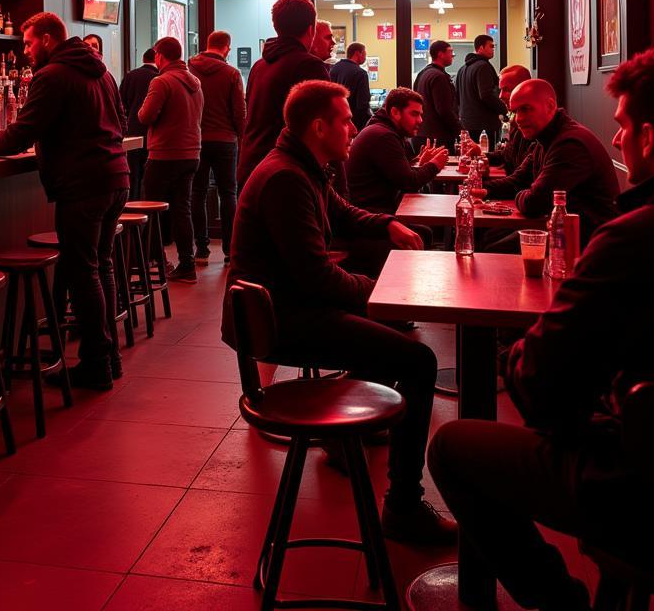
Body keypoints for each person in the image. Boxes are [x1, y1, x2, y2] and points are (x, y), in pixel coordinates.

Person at [428, 46, 654, 611]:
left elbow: (540, 389)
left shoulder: (636, 238)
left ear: (649, 138)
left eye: (625, 127)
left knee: (453, 447)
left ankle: (560, 601)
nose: (619, 141)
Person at [223, 79, 456, 546]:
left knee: (386, 331)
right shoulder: (287, 178)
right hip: (282, 322)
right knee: (418, 361)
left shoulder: (302, 165)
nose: (353, 127)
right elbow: (317, 280)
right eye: (346, 120)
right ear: (318, 127)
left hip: (290, 307)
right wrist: (381, 289)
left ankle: (342, 432)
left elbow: (344, 214)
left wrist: (388, 223)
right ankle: (404, 506)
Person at [0, 12, 129, 390]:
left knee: (85, 272)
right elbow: (123, 121)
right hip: (116, 177)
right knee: (101, 267)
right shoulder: (101, 71)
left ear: (49, 39)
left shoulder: (52, 76)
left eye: (30, 43)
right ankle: (109, 358)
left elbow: (22, 132)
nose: (26, 51)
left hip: (83, 185)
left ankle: (97, 366)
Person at [481, 78, 618, 246]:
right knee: (487, 237)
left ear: (550, 106)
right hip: (559, 231)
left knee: (491, 252)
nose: (518, 119)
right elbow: (518, 180)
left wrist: (520, 193)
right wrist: (481, 188)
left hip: (588, 243)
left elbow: (535, 203)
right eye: (515, 112)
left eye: (526, 109)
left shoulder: (569, 144)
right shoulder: (544, 139)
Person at [237, 0, 329, 186]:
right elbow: (323, 125)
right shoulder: (309, 66)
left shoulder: (259, 66)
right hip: (286, 174)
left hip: (252, 167)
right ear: (311, 30)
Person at [138, 35, 204, 282]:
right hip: (191, 153)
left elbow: (146, 116)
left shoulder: (161, 82)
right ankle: (187, 263)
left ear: (159, 55)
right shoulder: (195, 82)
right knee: (182, 210)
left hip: (164, 154)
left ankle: (156, 259)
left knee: (151, 208)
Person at [188, 30, 246, 266]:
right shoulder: (232, 73)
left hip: (197, 139)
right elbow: (238, 112)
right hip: (225, 140)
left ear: (207, 44)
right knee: (228, 194)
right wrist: (242, 138)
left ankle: (201, 249)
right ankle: (230, 250)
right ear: (227, 48)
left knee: (197, 193)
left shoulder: (189, 69)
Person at [347, 88, 449, 213]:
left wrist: (419, 163)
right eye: (414, 114)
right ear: (395, 112)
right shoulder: (384, 137)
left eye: (420, 114)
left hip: (377, 208)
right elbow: (410, 183)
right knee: (426, 227)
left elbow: (400, 175)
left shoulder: (385, 130)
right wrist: (435, 164)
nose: (420, 120)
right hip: (370, 215)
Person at [455, 33, 506, 148]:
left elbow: (457, 96)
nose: (493, 49)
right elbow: (486, 95)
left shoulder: (462, 69)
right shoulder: (483, 66)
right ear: (481, 47)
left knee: (470, 159)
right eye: (491, 46)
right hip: (485, 126)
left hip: (467, 123)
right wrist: (504, 109)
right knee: (487, 159)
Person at [119, 48, 158, 199]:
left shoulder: (130, 76)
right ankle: (145, 214)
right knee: (149, 178)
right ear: (157, 59)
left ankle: (132, 209)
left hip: (133, 134)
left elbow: (121, 104)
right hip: (152, 134)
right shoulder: (160, 78)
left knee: (133, 175)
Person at [413, 39, 461, 151]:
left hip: (421, 134)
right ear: (440, 54)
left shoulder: (422, 74)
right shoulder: (439, 77)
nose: (453, 55)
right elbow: (444, 110)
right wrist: (460, 130)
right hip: (438, 137)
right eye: (450, 51)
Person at [330, 42, 372, 129]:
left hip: (334, 120)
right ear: (358, 53)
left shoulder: (334, 68)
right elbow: (363, 105)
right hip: (353, 124)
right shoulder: (361, 73)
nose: (365, 58)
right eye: (364, 54)